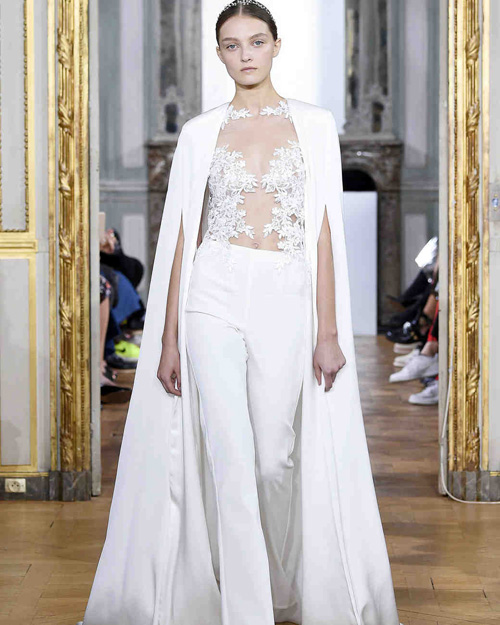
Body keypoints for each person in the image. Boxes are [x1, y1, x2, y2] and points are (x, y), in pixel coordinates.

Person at [81, 2, 402, 625]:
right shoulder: (200, 132)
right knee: (229, 457)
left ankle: (280, 580)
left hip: (286, 293)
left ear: (277, 46)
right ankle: (245, 612)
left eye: (256, 41)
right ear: (220, 55)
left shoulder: (314, 125)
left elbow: (324, 232)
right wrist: (168, 339)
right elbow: (182, 235)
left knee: (274, 458)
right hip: (214, 291)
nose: (245, 54)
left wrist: (329, 330)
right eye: (232, 45)